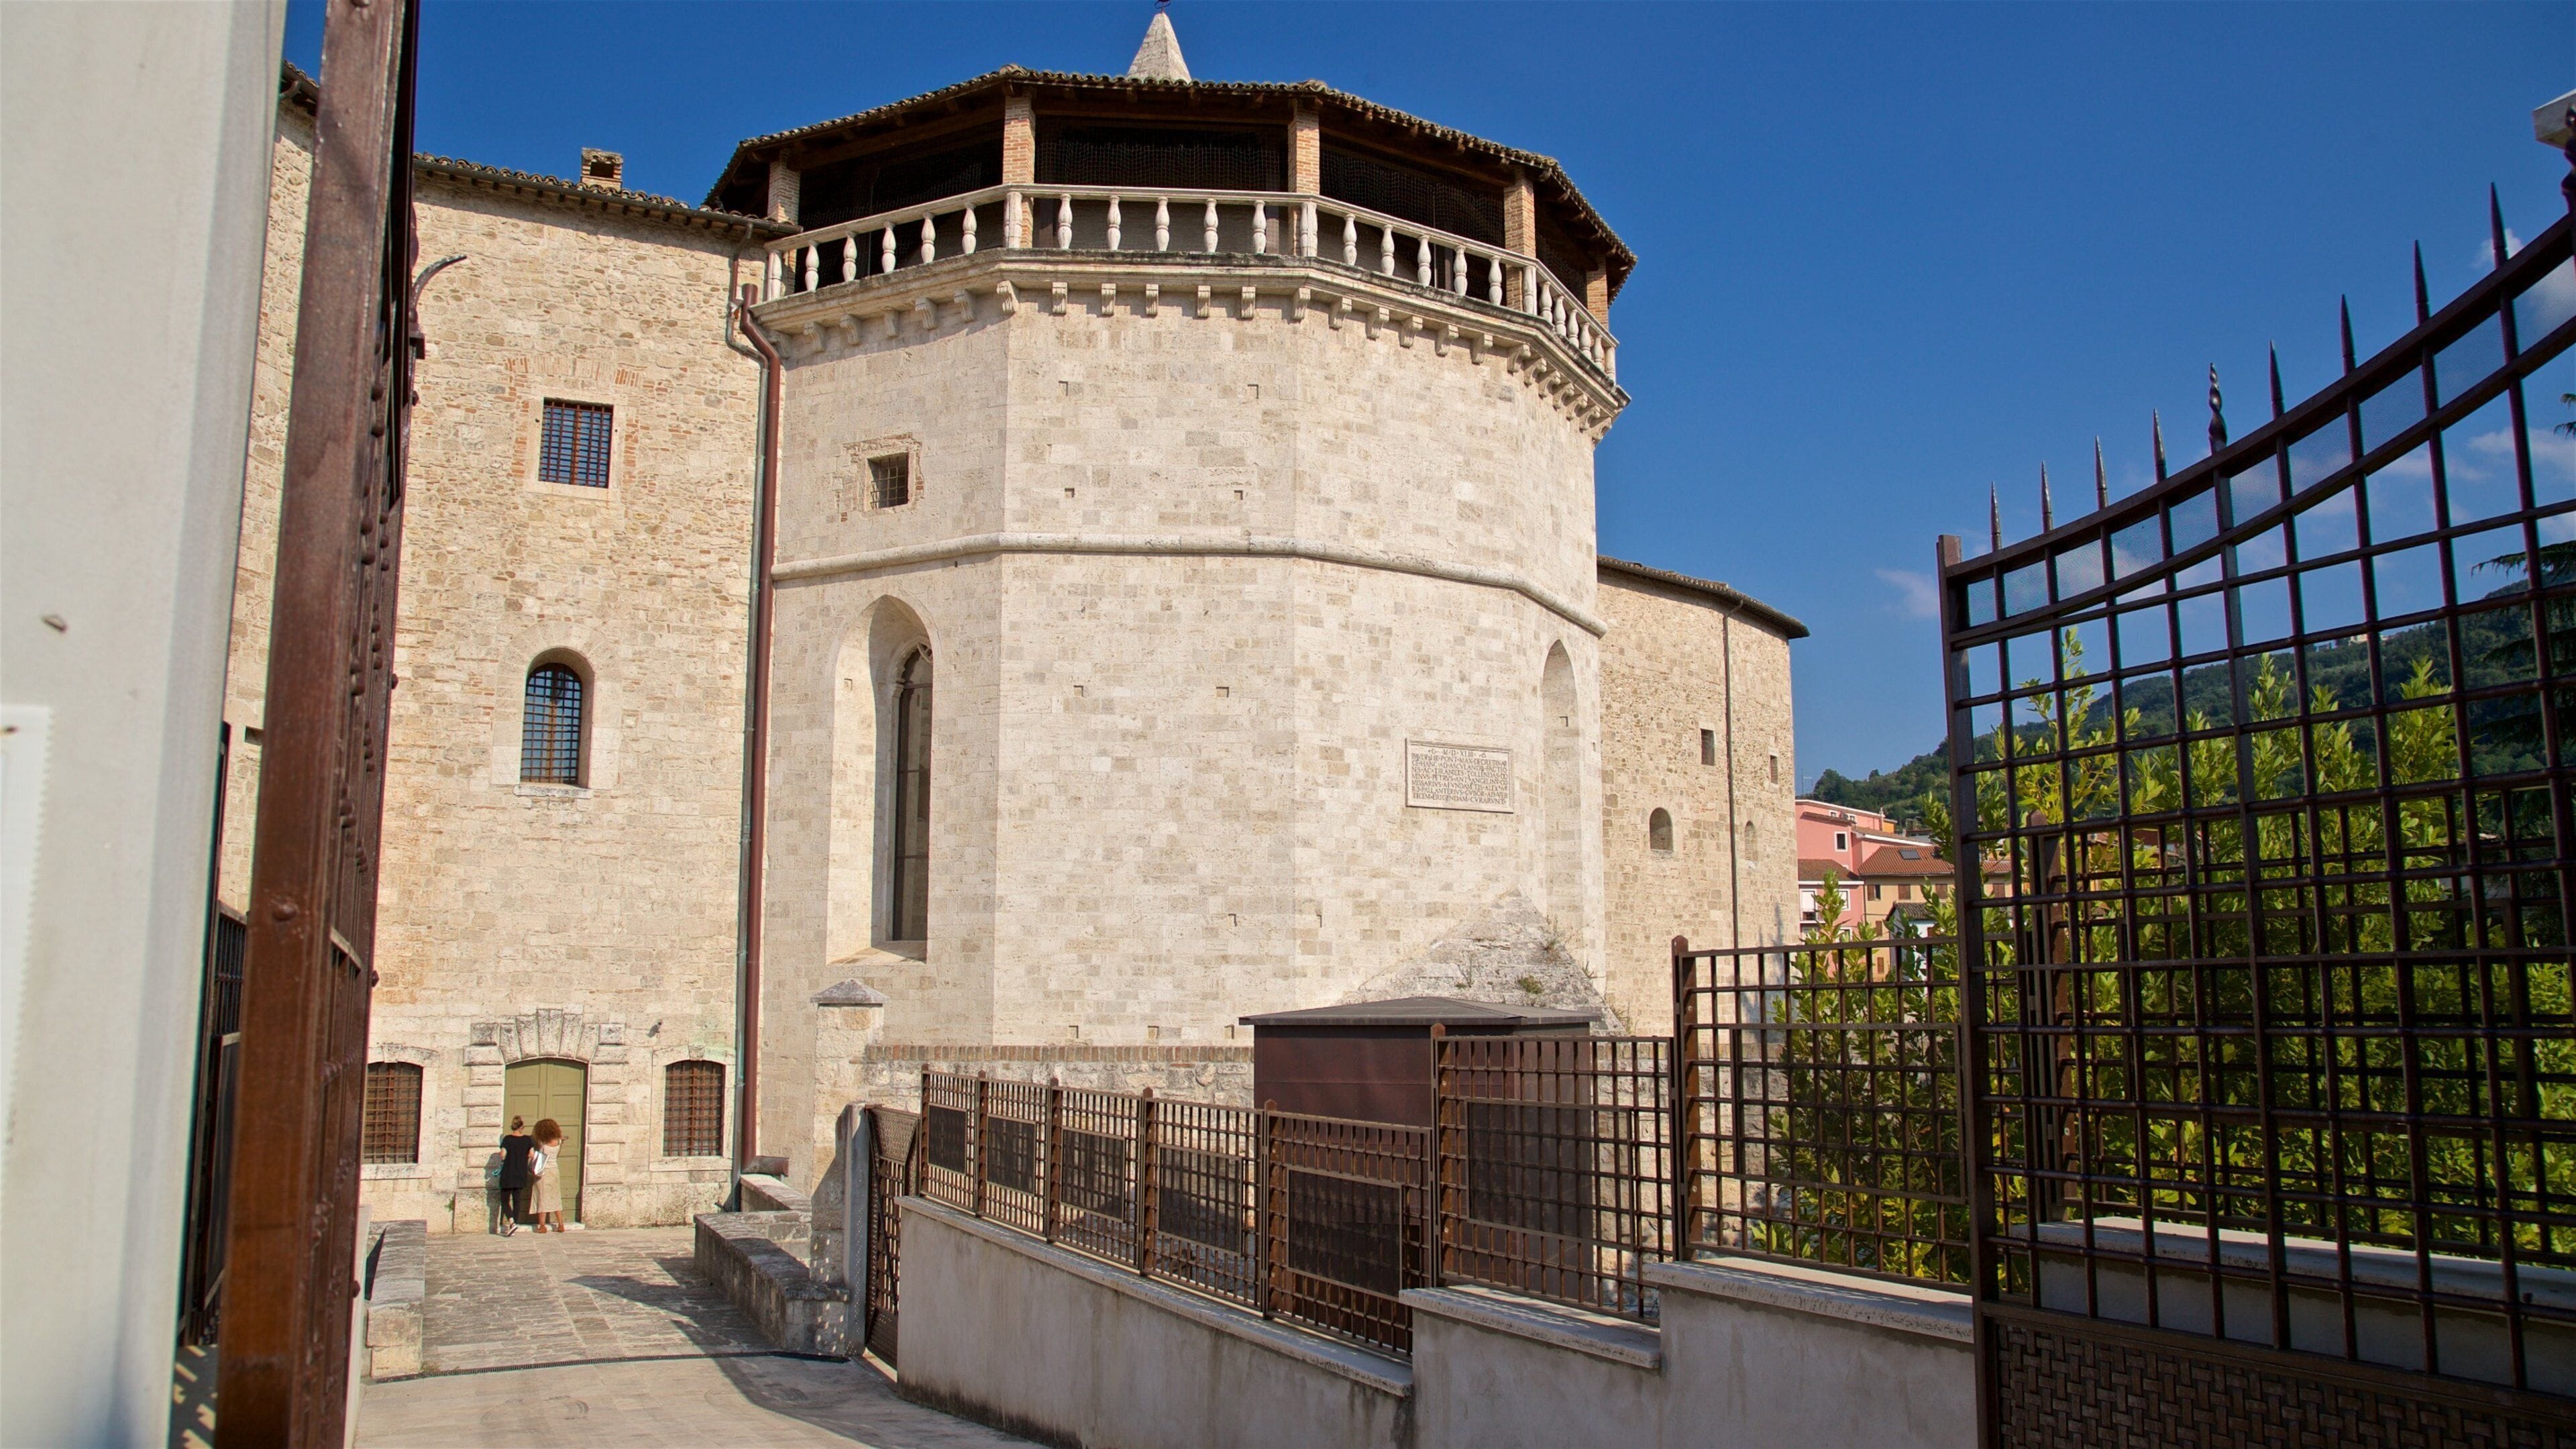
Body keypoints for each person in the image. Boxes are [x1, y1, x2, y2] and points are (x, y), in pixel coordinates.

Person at [496, 1116, 536, 1236]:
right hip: (521, 1173)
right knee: (517, 1200)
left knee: (505, 1199)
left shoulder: (508, 1139)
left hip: (508, 1172)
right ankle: (515, 1225)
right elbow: (532, 1154)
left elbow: (503, 1154)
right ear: (522, 1127)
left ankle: (512, 1223)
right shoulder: (527, 1140)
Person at [529, 1118, 568, 1233]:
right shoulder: (559, 1141)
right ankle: (561, 1224)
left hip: (543, 1172)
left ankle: (542, 1226)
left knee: (542, 1197)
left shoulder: (542, 1143)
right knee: (556, 1197)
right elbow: (557, 1153)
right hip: (555, 1171)